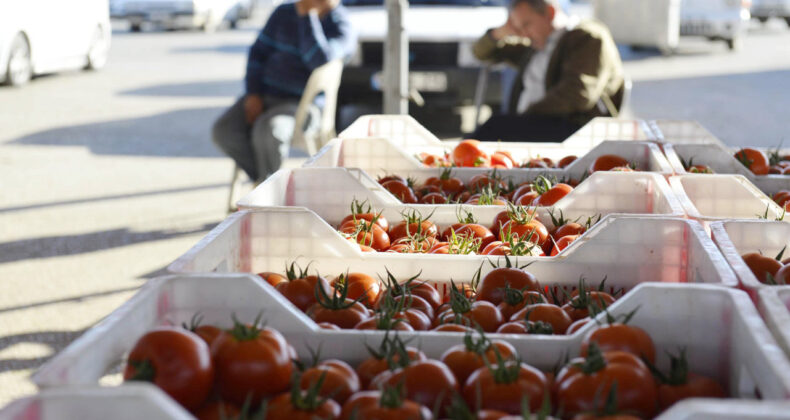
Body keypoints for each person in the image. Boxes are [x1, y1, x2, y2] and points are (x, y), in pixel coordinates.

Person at [212, 0, 357, 182]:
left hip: (302, 105)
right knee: (223, 131)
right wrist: (253, 93)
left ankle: (268, 187)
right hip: (264, 94)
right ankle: (265, 182)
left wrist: (307, 17)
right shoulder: (283, 13)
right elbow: (257, 53)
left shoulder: (342, 25)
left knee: (270, 131)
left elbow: (318, 60)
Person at [471, 0, 624, 142]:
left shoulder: (586, 37)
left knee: (494, 128)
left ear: (550, 12)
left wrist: (525, 115)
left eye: (527, 24)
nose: (523, 33)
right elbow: (482, 53)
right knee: (491, 130)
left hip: (572, 127)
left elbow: (578, 95)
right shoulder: (536, 44)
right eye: (519, 28)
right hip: (532, 123)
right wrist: (502, 31)